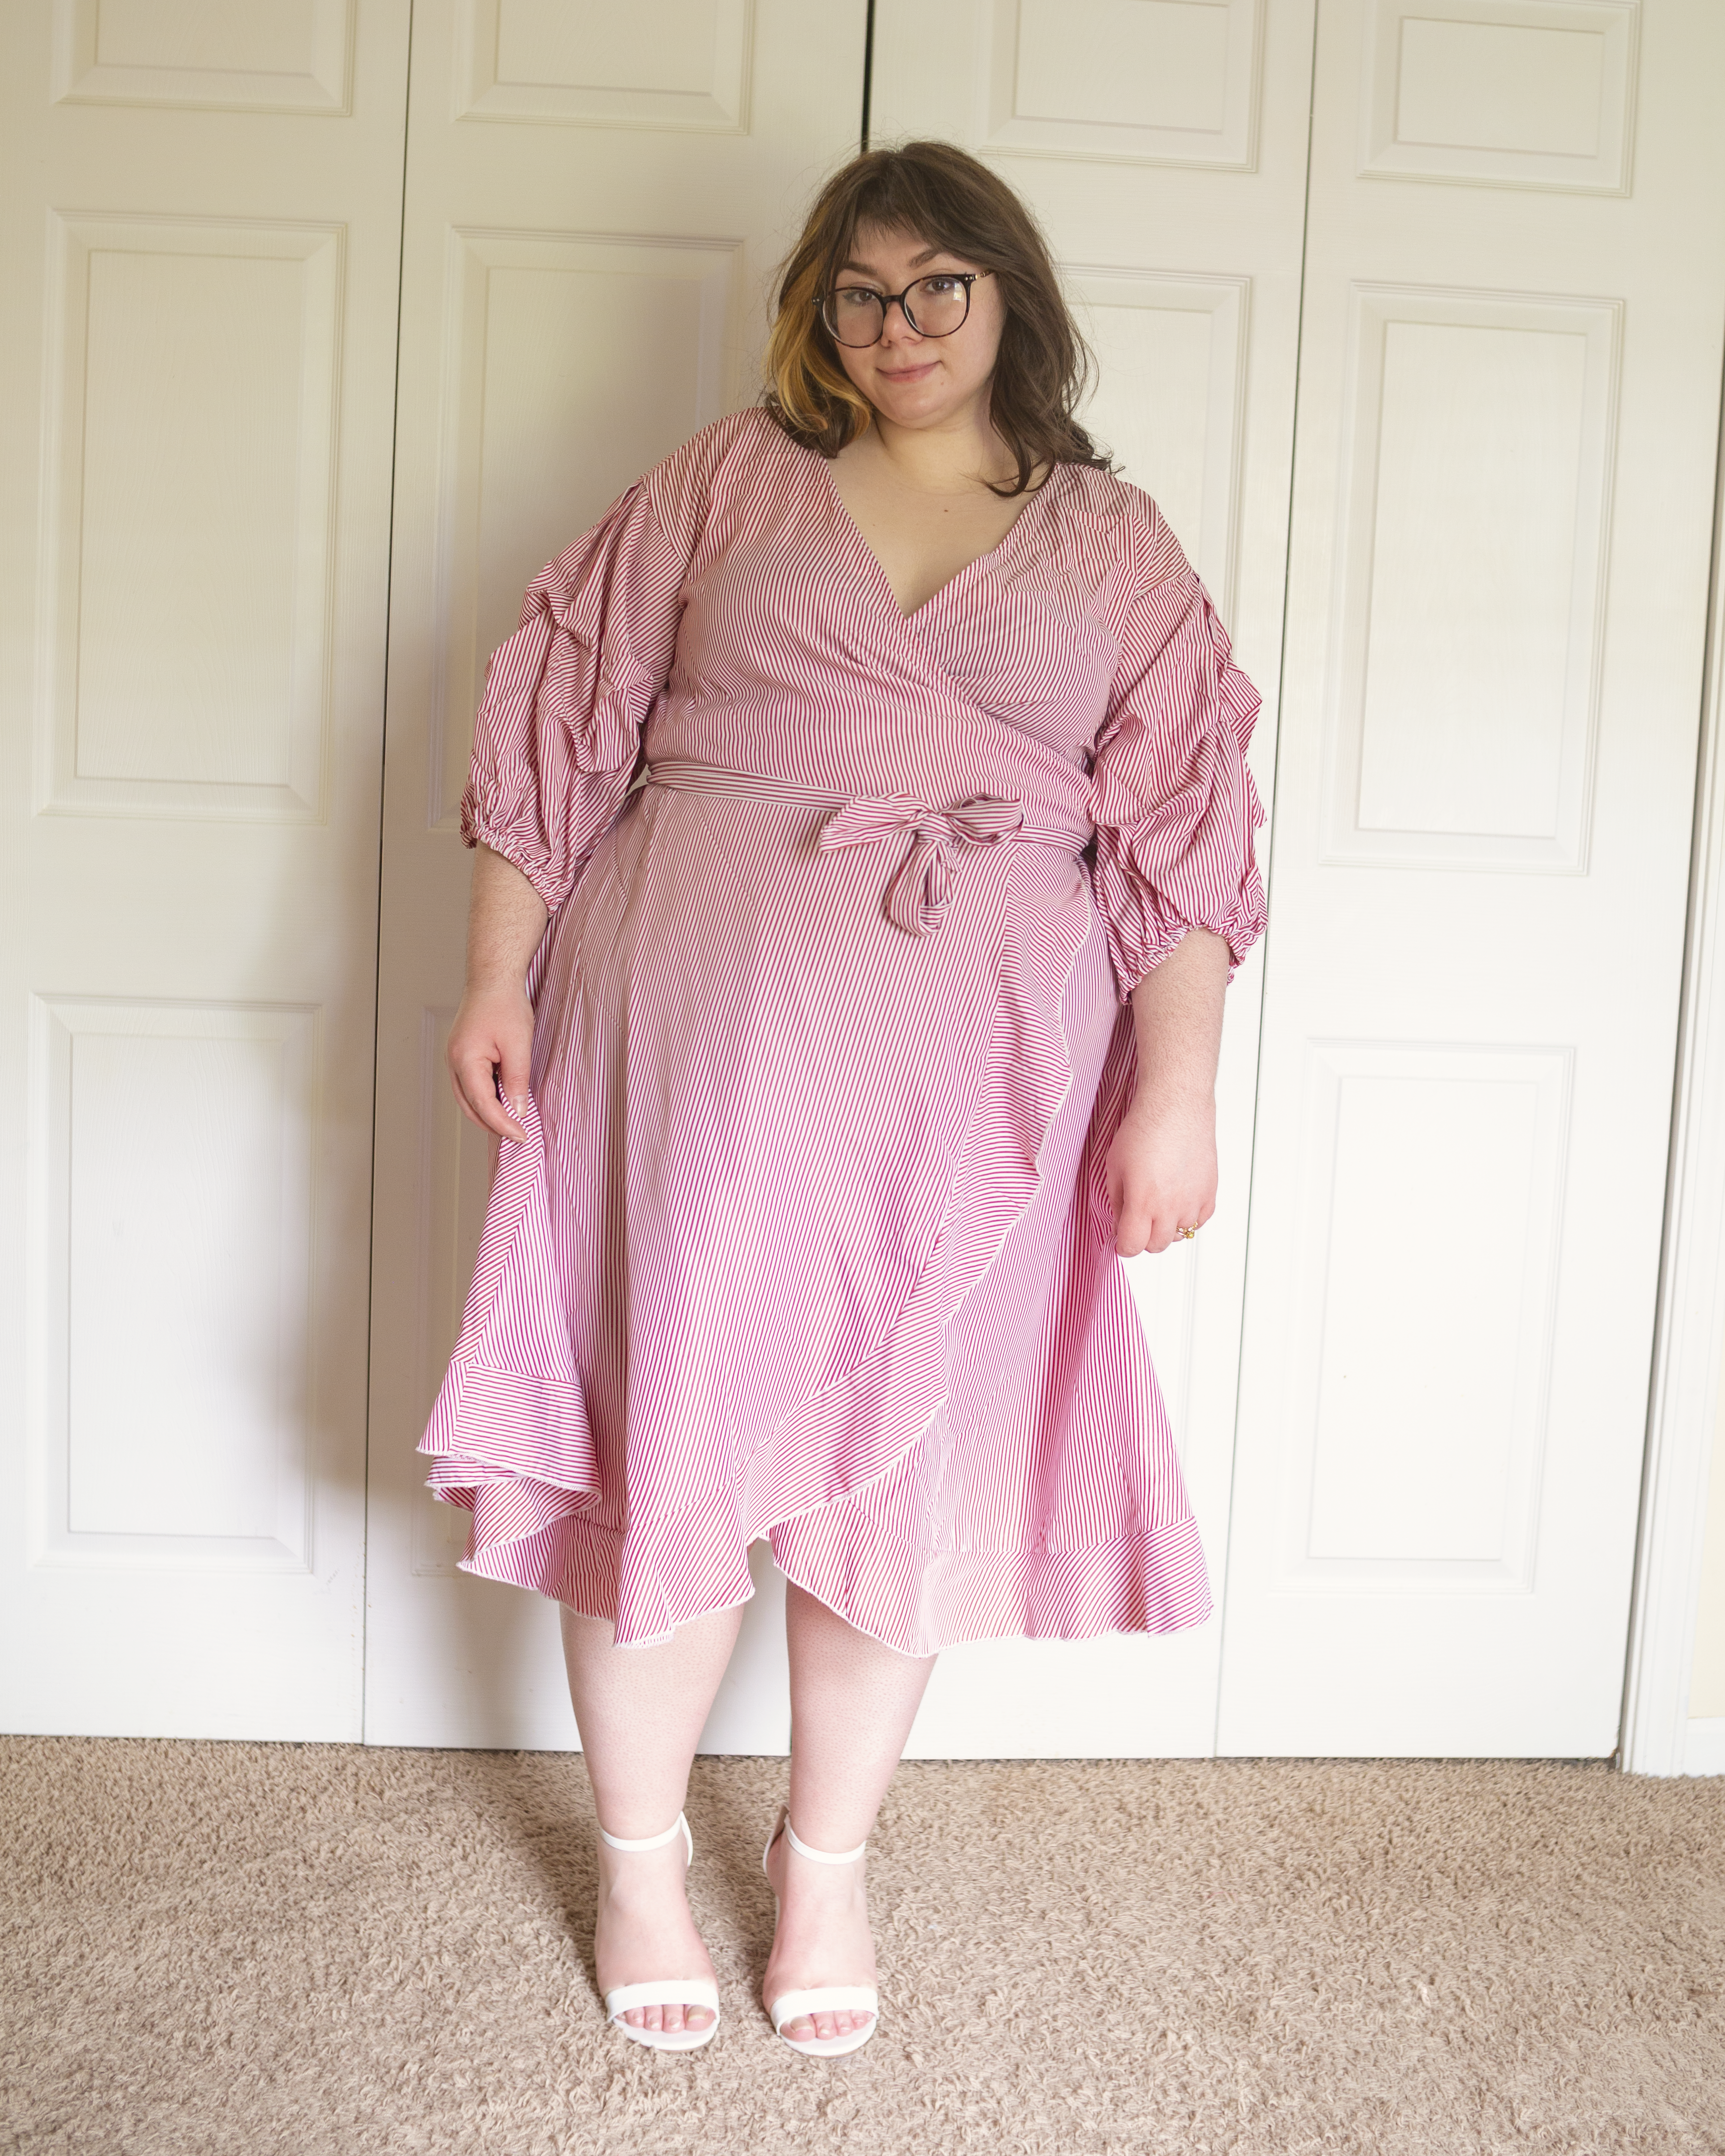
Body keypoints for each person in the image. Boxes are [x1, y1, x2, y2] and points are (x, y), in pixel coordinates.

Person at [420, 138, 1266, 2060]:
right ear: (821, 312)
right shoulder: (724, 483)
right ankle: (640, 1856)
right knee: (670, 1438)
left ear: (1010, 305)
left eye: (939, 286)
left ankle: (825, 1862)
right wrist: (492, 969)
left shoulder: (1113, 547)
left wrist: (1182, 1091)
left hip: (984, 1083)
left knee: (914, 1464)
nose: (900, 326)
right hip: (702, 1056)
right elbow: (557, 706)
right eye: (862, 290)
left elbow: (1190, 826)